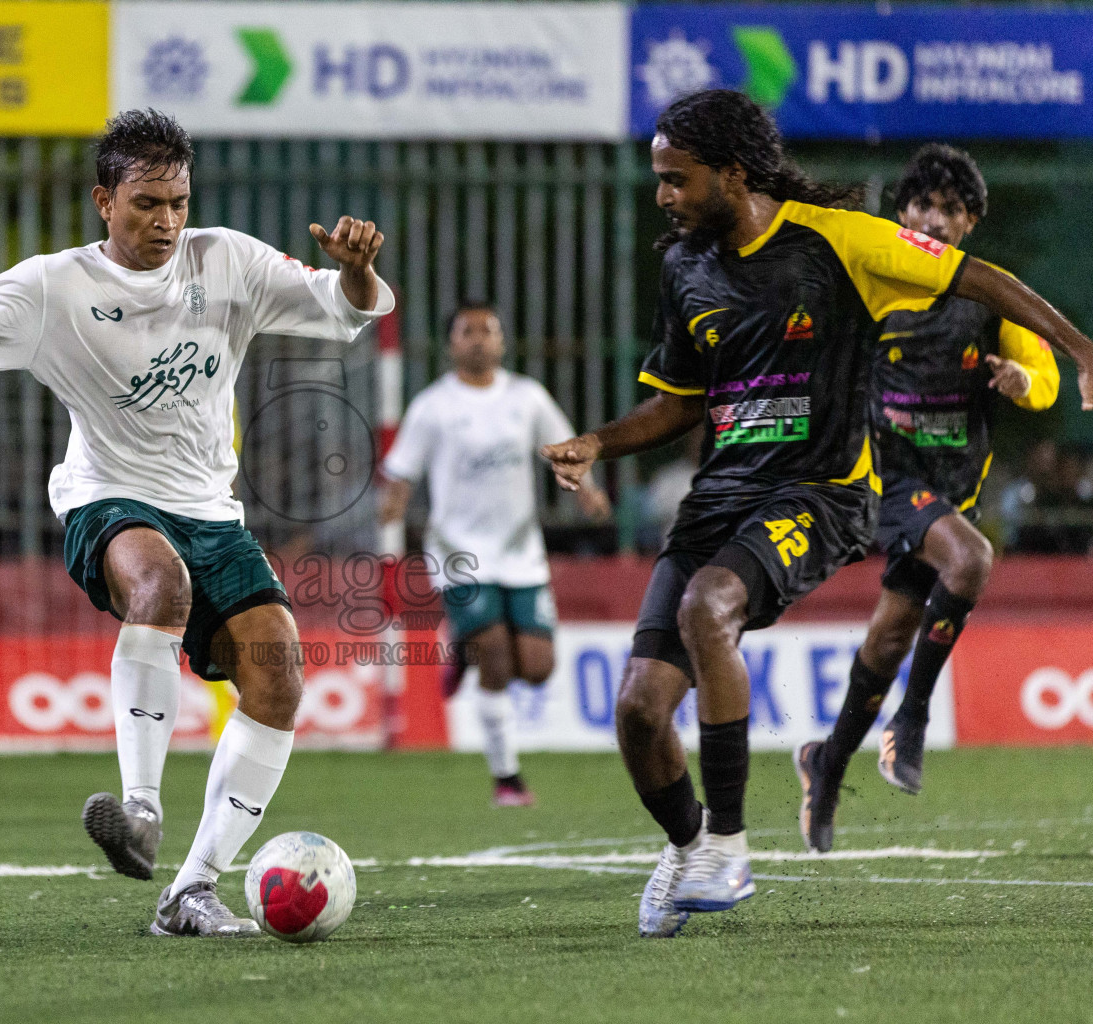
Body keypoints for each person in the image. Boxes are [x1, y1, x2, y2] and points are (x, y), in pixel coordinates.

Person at [541, 90, 1093, 939]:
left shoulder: (838, 238)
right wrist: (599, 443)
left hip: (823, 493)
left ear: (732, 172)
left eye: (676, 179)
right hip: (721, 500)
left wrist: (1081, 350)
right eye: (659, 180)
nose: (663, 196)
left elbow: (977, 275)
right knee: (639, 710)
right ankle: (688, 844)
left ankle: (726, 843)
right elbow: (679, 403)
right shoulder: (685, 267)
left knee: (705, 608)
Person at [0, 109, 393, 937]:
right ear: (103, 201)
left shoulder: (229, 260)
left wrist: (358, 272)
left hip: (212, 510)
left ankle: (190, 888)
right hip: (105, 494)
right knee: (160, 582)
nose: (167, 221)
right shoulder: (55, 287)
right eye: (147, 203)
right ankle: (140, 810)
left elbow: (346, 309)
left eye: (178, 201)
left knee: (281, 672)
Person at [795, 145, 1060, 852]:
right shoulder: (877, 285)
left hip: (949, 493)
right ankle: (909, 723)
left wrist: (1021, 381)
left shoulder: (989, 294)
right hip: (888, 479)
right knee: (971, 562)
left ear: (970, 223)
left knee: (887, 637)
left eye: (950, 210)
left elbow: (1045, 373)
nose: (934, 221)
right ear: (901, 213)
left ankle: (826, 763)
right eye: (922, 206)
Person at [379, 300, 609, 807]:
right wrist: (392, 505)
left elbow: (565, 447)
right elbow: (401, 471)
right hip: (458, 554)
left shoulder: (526, 397)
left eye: (489, 330)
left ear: (502, 341)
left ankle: (462, 649)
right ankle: (507, 778)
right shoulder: (433, 406)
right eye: (468, 331)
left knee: (538, 665)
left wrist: (587, 489)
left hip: (521, 551)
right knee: (499, 661)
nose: (479, 339)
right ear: (452, 343)